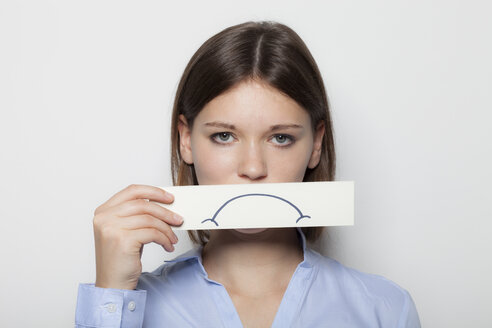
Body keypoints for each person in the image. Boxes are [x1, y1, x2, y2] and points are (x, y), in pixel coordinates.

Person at [75, 21, 421, 328]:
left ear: (316, 144)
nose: (253, 168)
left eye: (280, 138)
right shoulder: (128, 309)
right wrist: (111, 296)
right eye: (224, 136)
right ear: (186, 139)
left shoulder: (385, 310)